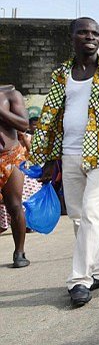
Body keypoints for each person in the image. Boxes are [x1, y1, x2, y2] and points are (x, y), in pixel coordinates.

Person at [29, 17, 99, 306]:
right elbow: (52, 116)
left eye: (95, 33)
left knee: (92, 213)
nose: (90, 37)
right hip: (69, 153)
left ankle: (79, 279)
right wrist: (50, 158)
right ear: (72, 37)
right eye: (83, 32)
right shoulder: (61, 74)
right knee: (78, 216)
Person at [0, 84, 30, 267]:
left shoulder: (10, 94)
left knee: (14, 205)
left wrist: (1, 112)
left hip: (10, 156)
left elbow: (24, 124)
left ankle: (19, 252)